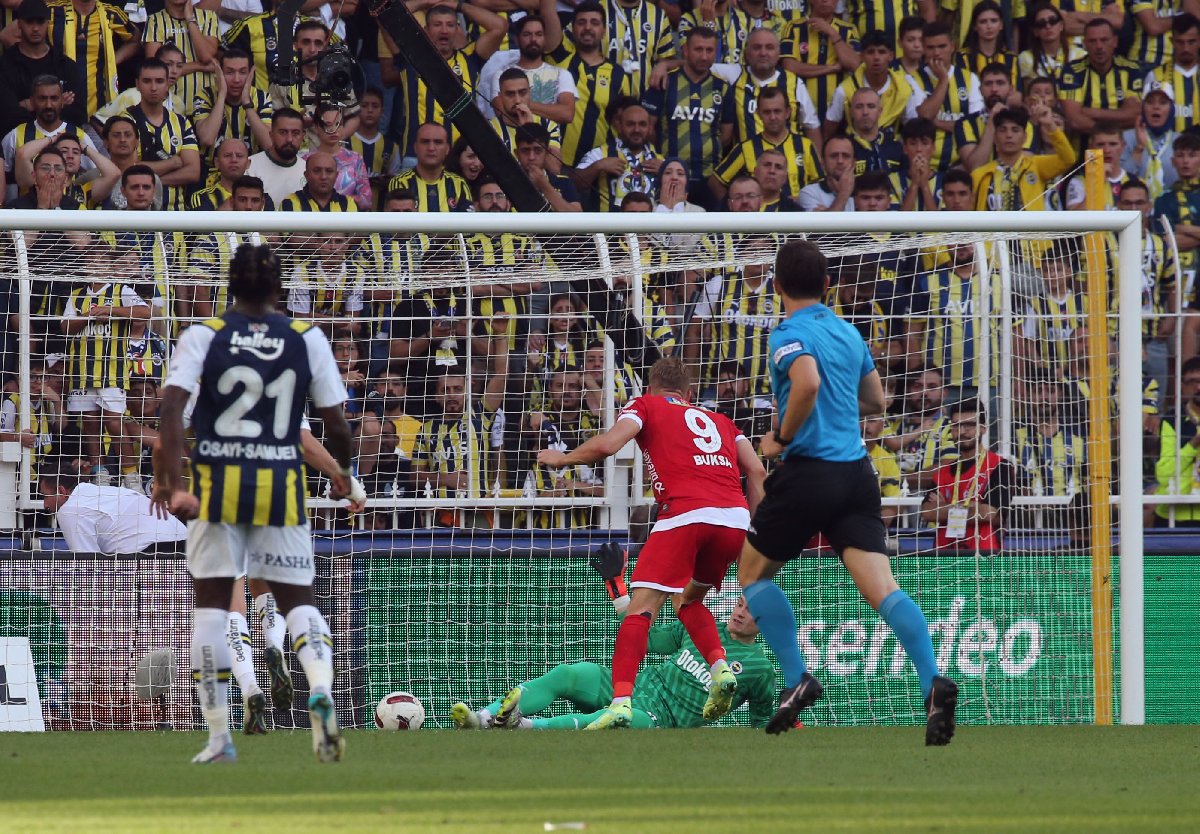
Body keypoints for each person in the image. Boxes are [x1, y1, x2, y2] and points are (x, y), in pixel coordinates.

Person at [734, 239, 958, 745]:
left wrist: (780, 437)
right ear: (828, 285)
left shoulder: (788, 333)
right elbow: (876, 400)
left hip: (809, 471)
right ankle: (931, 682)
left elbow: (807, 382)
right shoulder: (847, 330)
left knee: (752, 573)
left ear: (776, 285)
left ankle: (797, 679)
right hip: (857, 475)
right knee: (884, 589)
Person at [154, 243, 356, 764]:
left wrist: (174, 484)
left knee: (212, 612)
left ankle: (219, 737)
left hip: (217, 490)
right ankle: (320, 690)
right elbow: (336, 424)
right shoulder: (307, 338)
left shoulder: (204, 335)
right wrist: (344, 475)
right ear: (278, 288)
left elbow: (170, 411)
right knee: (300, 603)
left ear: (230, 285)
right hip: (280, 489)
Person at [536, 358, 767, 730]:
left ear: (650, 387)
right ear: (689, 393)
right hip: (734, 519)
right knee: (689, 600)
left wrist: (564, 458)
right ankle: (719, 667)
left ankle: (621, 702)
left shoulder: (646, 405)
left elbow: (609, 445)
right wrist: (757, 534)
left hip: (685, 512)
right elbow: (756, 470)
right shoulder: (722, 421)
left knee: (641, 611)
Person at [453, 558, 774, 730]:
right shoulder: (704, 628)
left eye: (751, 611)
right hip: (635, 687)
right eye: (740, 604)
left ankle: (524, 726)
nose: (740, 612)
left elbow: (761, 722)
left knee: (613, 719)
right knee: (568, 674)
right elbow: (645, 638)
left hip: (660, 717)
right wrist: (618, 588)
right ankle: (482, 718)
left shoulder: (760, 669)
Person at [922, 397, 1018, 551]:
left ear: (983, 428)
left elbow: (989, 513)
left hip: (984, 554)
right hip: (944, 554)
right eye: (956, 425)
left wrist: (944, 508)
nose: (961, 431)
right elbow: (927, 513)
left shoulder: (999, 466)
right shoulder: (943, 471)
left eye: (969, 425)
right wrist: (973, 506)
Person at [39, 459, 186, 553]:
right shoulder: (98, 493)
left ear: (61, 491)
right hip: (185, 543)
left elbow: (87, 565)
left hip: (154, 551)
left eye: (45, 496)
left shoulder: (70, 510)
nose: (45, 504)